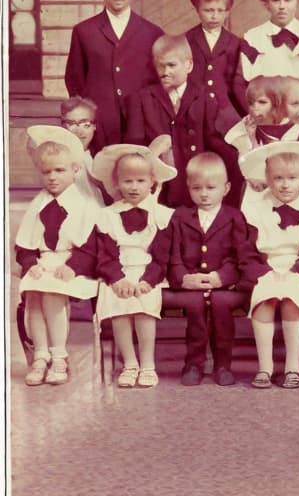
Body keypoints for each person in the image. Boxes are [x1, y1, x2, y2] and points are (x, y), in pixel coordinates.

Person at [14, 126, 100, 385]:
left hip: (71, 265)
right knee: (32, 293)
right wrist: (30, 264)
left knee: (52, 292)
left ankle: (59, 355)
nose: (52, 177)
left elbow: (92, 246)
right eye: (47, 171)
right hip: (44, 261)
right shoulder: (38, 204)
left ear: (75, 170)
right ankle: (41, 355)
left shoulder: (85, 204)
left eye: (59, 170)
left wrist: (74, 266)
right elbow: (25, 245)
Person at [240, 141, 299, 389]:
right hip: (265, 265)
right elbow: (246, 246)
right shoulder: (255, 207)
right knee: (264, 298)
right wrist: (260, 271)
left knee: (292, 296)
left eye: (292, 178)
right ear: (267, 178)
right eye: (278, 178)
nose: (285, 184)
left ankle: (292, 366)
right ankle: (265, 366)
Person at [86, 144, 177, 388]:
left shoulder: (162, 215)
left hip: (150, 273)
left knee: (144, 308)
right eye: (127, 181)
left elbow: (163, 255)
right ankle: (129, 363)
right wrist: (117, 279)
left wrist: (148, 280)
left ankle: (147, 363)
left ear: (152, 182)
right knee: (119, 306)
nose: (134, 187)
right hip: (118, 273)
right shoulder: (107, 215)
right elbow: (104, 254)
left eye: (140, 180)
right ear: (116, 183)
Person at [162, 153, 255, 386]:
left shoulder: (234, 217)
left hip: (224, 284)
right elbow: (173, 255)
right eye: (197, 188)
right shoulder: (180, 216)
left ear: (226, 188)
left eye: (211, 188)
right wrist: (183, 278)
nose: (204, 194)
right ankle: (193, 362)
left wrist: (221, 277)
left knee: (221, 304)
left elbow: (240, 255)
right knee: (195, 306)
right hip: (191, 282)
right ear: (188, 187)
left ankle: (223, 364)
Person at [124, 34, 235, 207]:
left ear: (189, 65)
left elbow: (216, 144)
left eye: (171, 65)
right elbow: (134, 146)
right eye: (160, 66)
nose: (165, 72)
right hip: (159, 189)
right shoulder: (142, 99)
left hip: (196, 188)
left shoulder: (204, 97)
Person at [64, 0, 163, 147]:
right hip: (100, 122)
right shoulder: (84, 31)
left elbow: (158, 81)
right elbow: (74, 78)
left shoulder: (152, 33)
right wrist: (86, 119)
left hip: (139, 123)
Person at [183, 0, 249, 125]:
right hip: (195, 114)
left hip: (226, 114)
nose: (214, 16)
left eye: (220, 11)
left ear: (227, 11)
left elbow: (238, 85)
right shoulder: (186, 40)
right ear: (197, 9)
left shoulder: (236, 43)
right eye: (208, 10)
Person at [59, 96, 106, 205]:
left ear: (94, 126)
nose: (79, 131)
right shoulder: (59, 158)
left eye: (86, 124)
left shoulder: (100, 157)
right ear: (63, 125)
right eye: (71, 124)